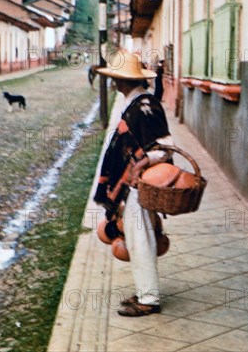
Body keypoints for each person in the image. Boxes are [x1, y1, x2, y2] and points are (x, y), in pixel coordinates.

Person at [94, 51, 174, 317]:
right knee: (139, 238)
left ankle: (149, 298)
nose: (114, 83)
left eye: (116, 78)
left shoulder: (145, 107)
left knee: (141, 240)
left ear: (123, 80)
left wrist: (141, 165)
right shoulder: (134, 102)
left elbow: (165, 147)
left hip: (138, 186)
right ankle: (144, 292)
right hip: (131, 186)